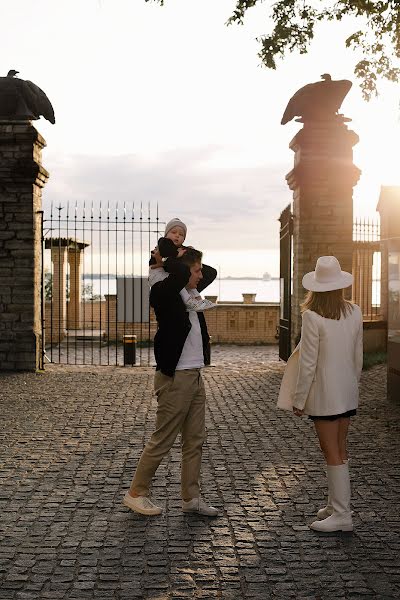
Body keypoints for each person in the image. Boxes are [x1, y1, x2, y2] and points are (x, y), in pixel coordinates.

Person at [123, 247, 219, 517]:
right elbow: (178, 276)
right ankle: (136, 493)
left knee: (195, 439)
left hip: (195, 374)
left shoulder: (191, 294)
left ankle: (191, 497)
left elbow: (210, 272)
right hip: (176, 376)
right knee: (163, 439)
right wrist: (174, 261)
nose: (201, 276)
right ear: (181, 271)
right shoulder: (164, 293)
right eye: (195, 270)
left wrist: (187, 256)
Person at [277, 256, 363, 533]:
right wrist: (352, 385)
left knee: (331, 451)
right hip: (346, 391)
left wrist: (299, 400)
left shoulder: (312, 317)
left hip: (326, 396)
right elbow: (357, 356)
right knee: (340, 448)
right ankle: (335, 504)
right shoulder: (355, 311)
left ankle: (342, 515)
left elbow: (308, 364)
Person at [149, 217, 216, 312]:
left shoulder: (176, 248)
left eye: (181, 235)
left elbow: (180, 255)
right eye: (173, 232)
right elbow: (166, 254)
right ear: (166, 234)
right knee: (181, 285)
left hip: (167, 273)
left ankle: (197, 300)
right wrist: (177, 255)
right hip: (158, 275)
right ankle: (189, 301)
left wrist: (190, 250)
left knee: (184, 282)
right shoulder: (163, 243)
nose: (177, 236)